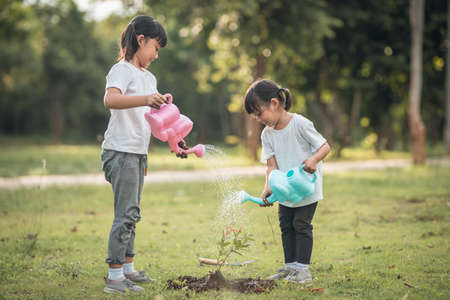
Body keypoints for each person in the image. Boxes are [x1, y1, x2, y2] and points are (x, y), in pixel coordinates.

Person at [101, 15, 187, 294]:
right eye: (156, 48)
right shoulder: (122, 70)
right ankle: (114, 278)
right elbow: (111, 100)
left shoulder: (149, 78)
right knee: (125, 214)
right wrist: (146, 99)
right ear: (141, 41)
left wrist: (178, 140)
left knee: (132, 213)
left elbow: (160, 119)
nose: (156, 55)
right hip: (120, 151)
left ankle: (127, 268)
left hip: (137, 153)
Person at [244, 79, 331, 284]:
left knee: (301, 225)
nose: (258, 119)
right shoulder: (267, 134)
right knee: (285, 225)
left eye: (259, 113)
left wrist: (313, 160)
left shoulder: (300, 124)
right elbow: (271, 166)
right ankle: (290, 266)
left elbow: (325, 147)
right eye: (254, 116)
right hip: (284, 191)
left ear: (274, 103)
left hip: (305, 188)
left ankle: (303, 271)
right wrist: (268, 188)